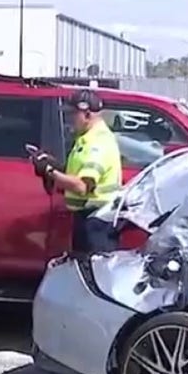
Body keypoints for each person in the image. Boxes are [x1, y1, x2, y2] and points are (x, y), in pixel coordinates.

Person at [30, 89, 123, 255]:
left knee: (92, 274)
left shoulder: (97, 144)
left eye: (73, 114)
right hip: (91, 220)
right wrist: (56, 167)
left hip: (96, 224)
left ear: (87, 115)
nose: (69, 119)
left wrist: (49, 171)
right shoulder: (87, 138)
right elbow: (78, 174)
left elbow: (82, 186)